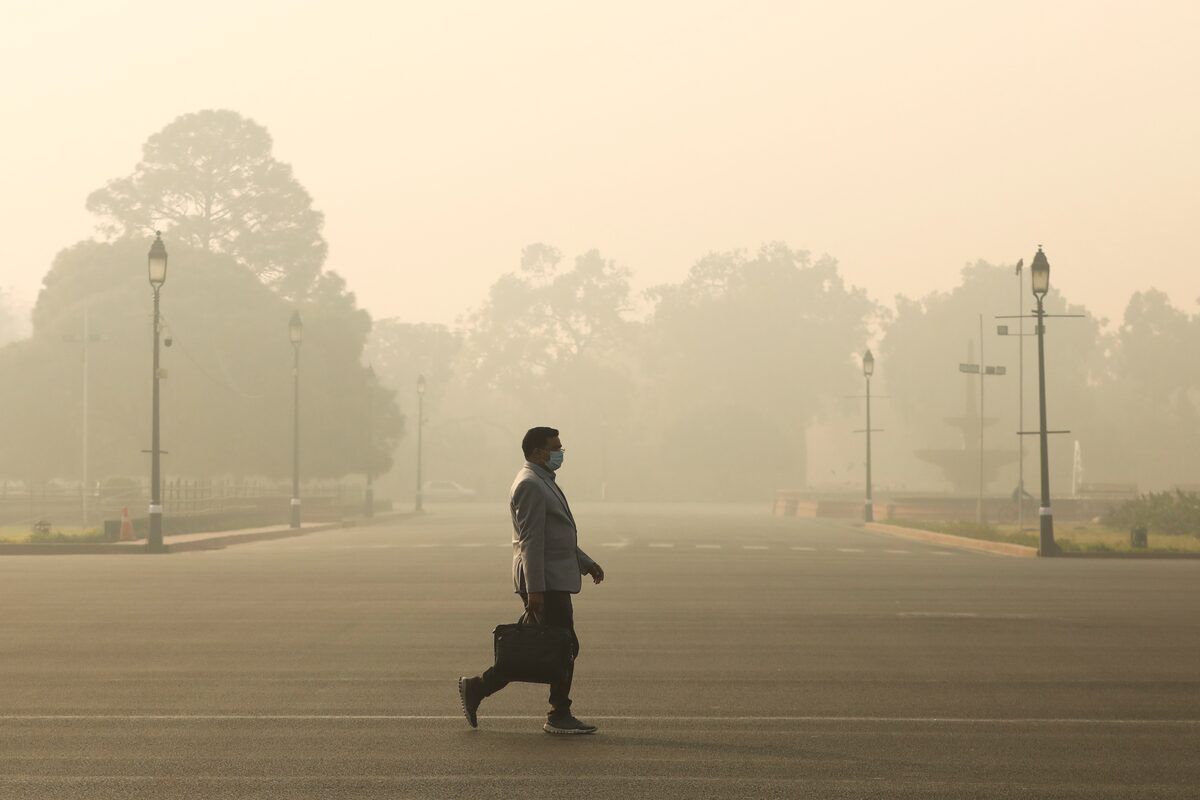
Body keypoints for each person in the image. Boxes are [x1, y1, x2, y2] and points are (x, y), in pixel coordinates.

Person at [458, 426, 605, 734]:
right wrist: (535, 590)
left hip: (552, 578)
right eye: (556, 448)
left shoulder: (542, 480)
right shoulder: (530, 485)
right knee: (561, 646)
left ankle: (479, 687)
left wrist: (586, 563)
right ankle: (558, 712)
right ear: (539, 452)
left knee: (548, 647)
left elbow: (556, 536)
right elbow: (531, 541)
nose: (560, 453)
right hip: (545, 582)